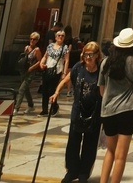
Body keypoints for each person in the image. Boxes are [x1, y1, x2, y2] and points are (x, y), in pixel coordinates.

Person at [49, 42, 103, 183]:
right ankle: (72, 171)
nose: (88, 57)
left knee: (90, 144)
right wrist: (56, 93)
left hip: (94, 113)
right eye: (85, 54)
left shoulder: (101, 70)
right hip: (78, 111)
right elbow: (65, 80)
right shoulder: (78, 68)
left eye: (91, 55)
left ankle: (84, 173)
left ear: (97, 55)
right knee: (73, 142)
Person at [98, 27, 133, 183]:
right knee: (121, 156)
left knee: (110, 151)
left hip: (108, 110)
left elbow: (101, 90)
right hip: (127, 110)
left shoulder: (106, 62)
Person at [39, 27, 70, 116]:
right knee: (44, 90)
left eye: (62, 36)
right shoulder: (50, 46)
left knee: (51, 90)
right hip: (47, 69)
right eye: (59, 35)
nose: (60, 37)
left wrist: (64, 73)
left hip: (57, 70)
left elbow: (66, 60)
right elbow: (45, 56)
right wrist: (41, 63)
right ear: (55, 37)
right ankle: (44, 109)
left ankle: (54, 107)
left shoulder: (65, 47)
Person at [15, 32, 42, 113]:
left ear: (37, 40)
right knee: (26, 89)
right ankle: (31, 105)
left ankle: (16, 108)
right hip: (23, 70)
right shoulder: (26, 48)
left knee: (22, 89)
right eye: (31, 39)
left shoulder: (37, 50)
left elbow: (39, 61)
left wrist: (31, 68)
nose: (32, 41)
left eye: (34, 39)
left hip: (30, 72)